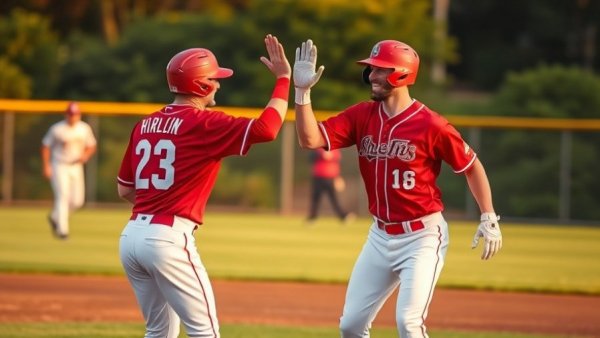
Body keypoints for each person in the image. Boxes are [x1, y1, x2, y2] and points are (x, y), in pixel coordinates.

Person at [292, 39, 503, 337]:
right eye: (372, 69)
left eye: (380, 69)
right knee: (350, 325)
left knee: (408, 322)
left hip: (422, 236)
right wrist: (302, 94)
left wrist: (488, 216)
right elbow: (309, 140)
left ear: (402, 73)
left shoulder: (432, 124)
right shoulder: (361, 115)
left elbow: (471, 167)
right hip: (379, 236)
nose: (372, 76)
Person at [116, 34, 291, 338]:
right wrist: (284, 79)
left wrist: (157, 206)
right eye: (214, 78)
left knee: (158, 332)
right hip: (168, 238)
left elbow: (125, 189)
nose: (219, 84)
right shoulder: (203, 123)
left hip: (131, 237)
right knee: (205, 331)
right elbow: (267, 129)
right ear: (201, 85)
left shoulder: (145, 123)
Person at [41, 101, 97, 240]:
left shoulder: (84, 128)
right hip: (60, 165)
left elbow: (92, 145)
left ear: (79, 115)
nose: (73, 117)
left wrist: (86, 155)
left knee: (78, 201)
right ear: (66, 114)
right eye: (71, 114)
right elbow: (45, 146)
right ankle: (62, 231)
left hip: (76, 166)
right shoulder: (57, 129)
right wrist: (46, 166)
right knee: (63, 196)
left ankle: (55, 217)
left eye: (76, 114)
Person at [306, 148, 354, 223]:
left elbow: (337, 162)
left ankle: (343, 216)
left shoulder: (335, 150)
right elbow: (310, 158)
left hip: (330, 178)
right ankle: (312, 218)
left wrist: (338, 177)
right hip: (318, 177)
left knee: (334, 199)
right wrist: (320, 155)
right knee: (315, 198)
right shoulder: (318, 149)